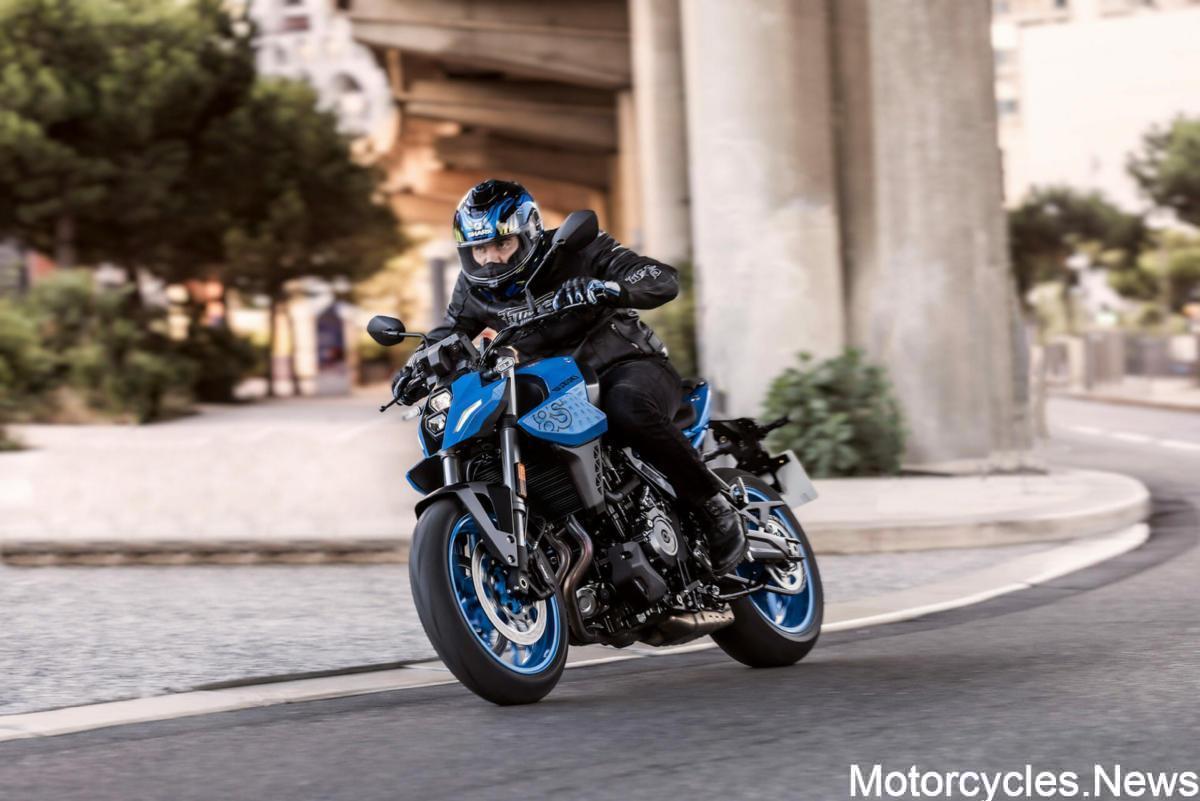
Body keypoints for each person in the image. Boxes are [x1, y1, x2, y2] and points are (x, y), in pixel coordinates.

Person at [393, 179, 746, 574]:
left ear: (529, 233)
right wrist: (418, 363)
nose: (490, 259)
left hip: (624, 366)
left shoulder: (576, 249)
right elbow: (452, 329)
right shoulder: (473, 287)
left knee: (626, 407)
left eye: (502, 244)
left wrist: (606, 287)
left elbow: (658, 277)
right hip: (552, 384)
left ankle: (714, 506)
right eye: (479, 249)